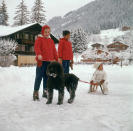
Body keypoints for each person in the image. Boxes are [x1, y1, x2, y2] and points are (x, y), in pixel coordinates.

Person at [33, 25, 58, 101]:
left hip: (49, 62)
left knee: (47, 78)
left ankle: (45, 92)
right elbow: (37, 48)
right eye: (45, 32)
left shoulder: (51, 41)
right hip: (41, 62)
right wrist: (39, 54)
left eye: (48, 32)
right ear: (42, 32)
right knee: (39, 77)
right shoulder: (39, 39)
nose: (47, 33)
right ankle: (35, 92)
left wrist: (56, 59)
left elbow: (54, 51)